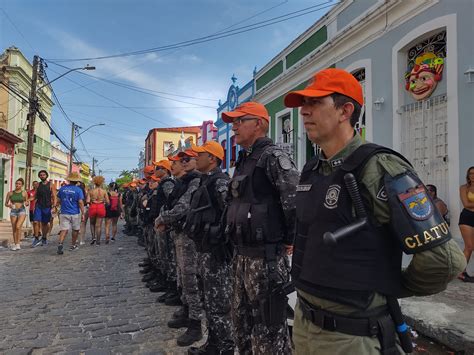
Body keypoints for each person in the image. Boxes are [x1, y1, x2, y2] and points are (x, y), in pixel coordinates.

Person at [283, 68, 466, 354]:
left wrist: (392, 286)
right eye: (303, 104)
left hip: (350, 337)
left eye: (315, 103)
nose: (304, 112)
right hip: (305, 324)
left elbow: (444, 260)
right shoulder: (312, 169)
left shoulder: (379, 167)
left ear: (345, 110)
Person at [221, 101, 299, 354]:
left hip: (265, 258)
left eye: (240, 120)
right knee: (240, 324)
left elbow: (294, 203)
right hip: (241, 256)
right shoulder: (243, 161)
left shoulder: (274, 157)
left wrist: (289, 239)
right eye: (233, 121)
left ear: (260, 124)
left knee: (269, 329)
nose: (234, 126)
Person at [186, 141, 235, 355]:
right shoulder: (206, 181)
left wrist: (221, 240)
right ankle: (213, 344)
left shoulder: (220, 183)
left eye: (200, 154)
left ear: (212, 159)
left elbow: (231, 216)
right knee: (209, 301)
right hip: (204, 249)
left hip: (217, 253)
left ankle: (224, 348)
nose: (196, 158)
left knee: (219, 305)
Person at [156, 149, 203, 347]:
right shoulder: (183, 182)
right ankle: (186, 310)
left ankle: (195, 323)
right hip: (179, 233)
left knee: (190, 279)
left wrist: (162, 219)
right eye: (179, 160)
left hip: (190, 236)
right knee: (182, 276)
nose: (180, 163)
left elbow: (184, 207)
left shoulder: (196, 181)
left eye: (185, 160)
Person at [56, 172, 85, 255]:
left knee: (64, 230)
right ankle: (73, 245)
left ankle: (60, 243)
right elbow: (80, 202)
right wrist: (83, 213)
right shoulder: (78, 190)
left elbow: (58, 200)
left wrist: (56, 207)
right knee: (75, 229)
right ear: (77, 181)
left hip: (64, 212)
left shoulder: (62, 189)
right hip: (75, 212)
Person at [32, 170, 57, 247]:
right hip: (38, 205)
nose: (42, 176)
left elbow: (54, 196)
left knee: (45, 223)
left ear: (46, 176)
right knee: (35, 221)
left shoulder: (51, 185)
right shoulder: (38, 185)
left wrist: (54, 206)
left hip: (47, 206)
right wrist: (28, 200)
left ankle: (44, 238)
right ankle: (36, 238)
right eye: (41, 175)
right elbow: (35, 196)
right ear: (39, 176)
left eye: (44, 175)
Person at [459, 166, 474, 282]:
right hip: (467, 217)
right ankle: (461, 272)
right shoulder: (464, 188)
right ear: (468, 176)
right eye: (471, 174)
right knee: (469, 246)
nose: (473, 176)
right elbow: (466, 204)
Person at [5, 178, 29, 250]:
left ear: (22, 185)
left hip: (22, 210)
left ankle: (18, 243)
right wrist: (9, 205)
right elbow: (6, 203)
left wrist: (26, 203)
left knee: (18, 226)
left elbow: (27, 202)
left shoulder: (24, 193)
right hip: (13, 211)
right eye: (16, 183)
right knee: (14, 228)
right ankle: (16, 244)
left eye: (19, 184)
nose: (17, 185)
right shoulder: (10, 193)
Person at [87, 176, 109, 245]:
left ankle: (93, 237)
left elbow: (87, 201)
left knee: (92, 223)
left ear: (94, 183)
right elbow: (108, 202)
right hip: (101, 206)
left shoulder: (91, 191)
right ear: (101, 183)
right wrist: (104, 204)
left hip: (93, 206)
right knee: (98, 225)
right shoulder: (104, 191)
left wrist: (91, 202)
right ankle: (98, 241)